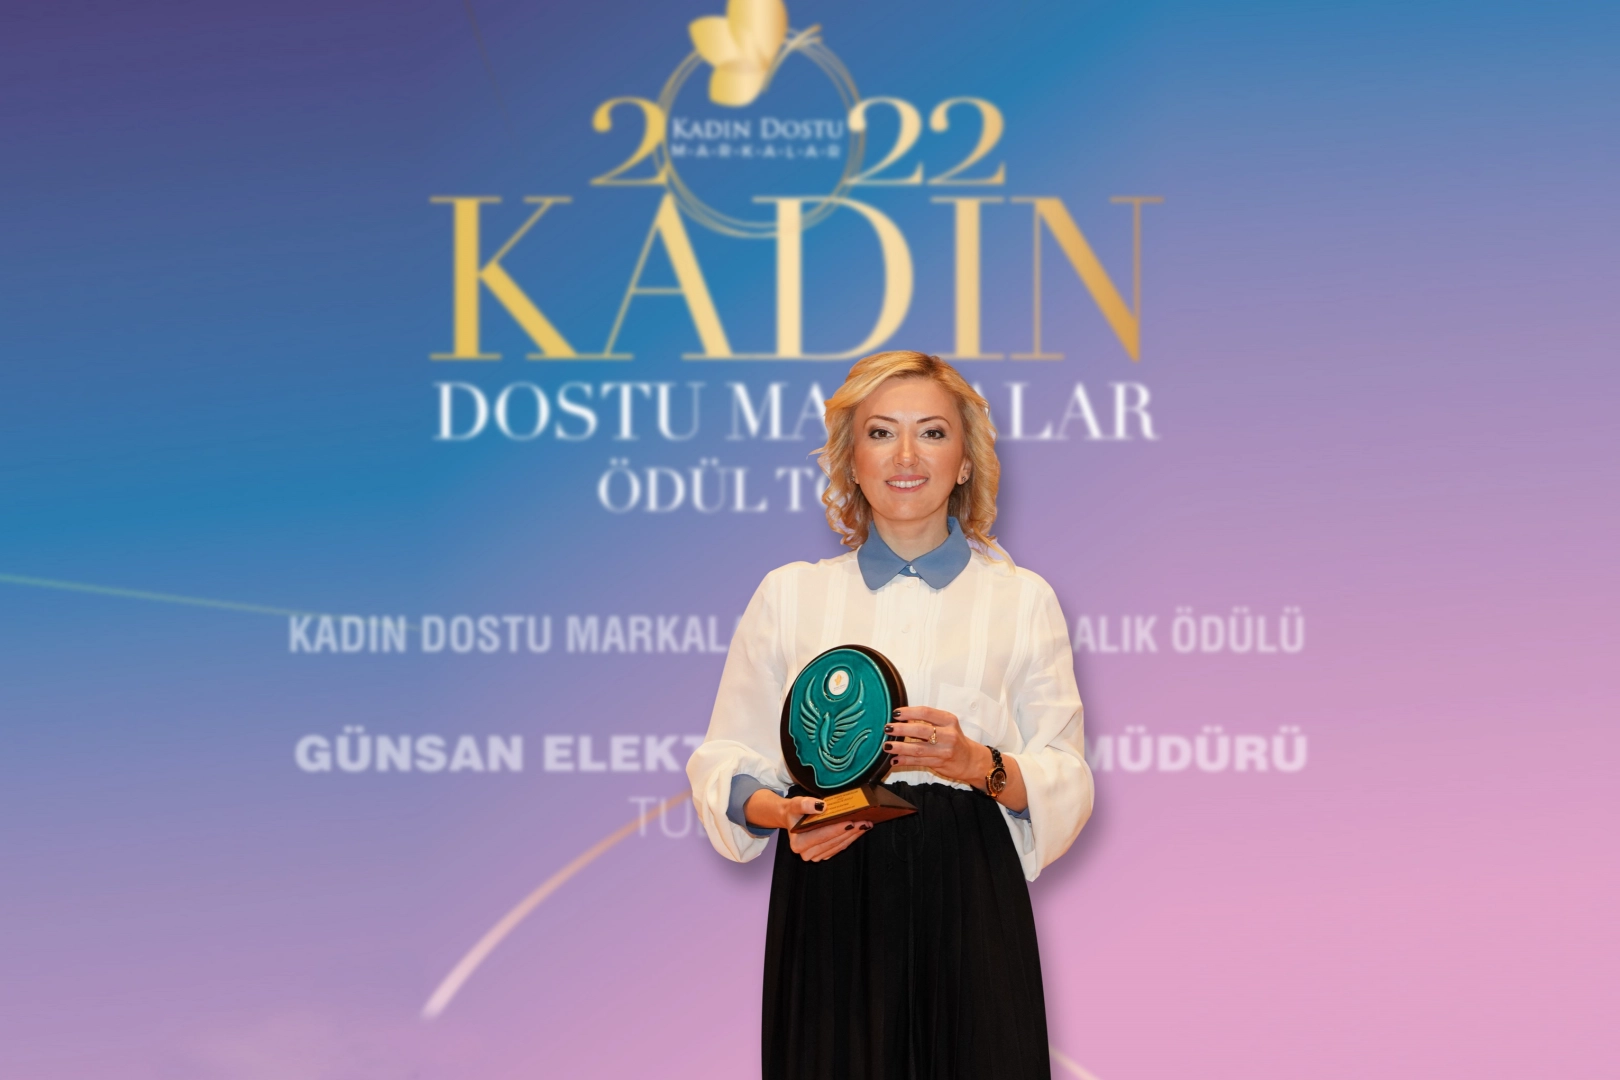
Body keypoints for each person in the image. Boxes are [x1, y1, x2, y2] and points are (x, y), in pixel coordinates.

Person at [687, 350, 1094, 1080]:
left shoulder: (1022, 599)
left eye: (932, 432)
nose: (907, 456)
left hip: (970, 892)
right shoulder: (789, 595)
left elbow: (1066, 774)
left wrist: (977, 763)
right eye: (881, 433)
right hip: (832, 885)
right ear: (851, 460)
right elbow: (726, 758)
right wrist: (786, 816)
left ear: (965, 462)